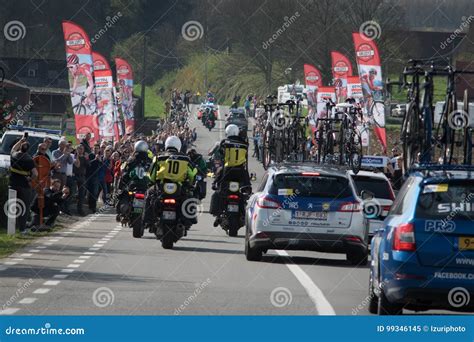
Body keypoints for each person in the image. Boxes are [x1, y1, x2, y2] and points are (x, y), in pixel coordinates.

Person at [143, 136, 197, 233]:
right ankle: (189, 221)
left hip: (162, 187)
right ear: (179, 146)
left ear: (166, 145)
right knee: (190, 197)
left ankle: (147, 221)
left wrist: (151, 182)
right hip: (179, 188)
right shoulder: (185, 159)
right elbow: (192, 174)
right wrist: (190, 183)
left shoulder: (159, 157)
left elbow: (152, 174)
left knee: (148, 195)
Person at [210, 124, 251, 227]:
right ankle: (244, 214)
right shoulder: (244, 143)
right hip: (241, 171)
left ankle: (218, 215)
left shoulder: (225, 142)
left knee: (219, 191)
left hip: (228, 170)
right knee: (246, 193)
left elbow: (219, 152)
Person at [116, 140, 152, 221]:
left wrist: (121, 186)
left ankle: (122, 214)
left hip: (133, 185)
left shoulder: (131, 160)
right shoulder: (150, 160)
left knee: (122, 193)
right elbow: (154, 173)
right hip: (146, 186)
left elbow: (125, 173)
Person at [9, 137, 37, 233]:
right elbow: (35, 174)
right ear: (28, 149)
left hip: (12, 184)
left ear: (20, 148)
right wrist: (29, 179)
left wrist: (21, 140)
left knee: (12, 206)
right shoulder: (29, 160)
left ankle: (11, 228)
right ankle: (22, 229)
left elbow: (13, 148)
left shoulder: (13, 155)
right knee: (24, 207)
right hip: (24, 186)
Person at [73, 145, 88, 216]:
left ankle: (80, 209)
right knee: (72, 192)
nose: (80, 150)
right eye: (79, 149)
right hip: (74, 176)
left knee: (81, 194)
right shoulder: (73, 156)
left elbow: (88, 165)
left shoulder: (84, 158)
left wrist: (86, 158)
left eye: (82, 149)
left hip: (82, 177)